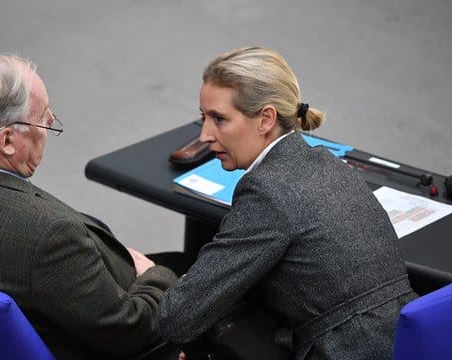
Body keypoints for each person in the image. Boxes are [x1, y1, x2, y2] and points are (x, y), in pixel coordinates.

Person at [0, 53, 186, 360]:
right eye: (43, 119)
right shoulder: (48, 236)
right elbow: (129, 331)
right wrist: (153, 275)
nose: (47, 127)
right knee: (190, 271)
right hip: (100, 332)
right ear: (6, 140)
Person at [158, 46, 418, 359]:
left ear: (266, 119)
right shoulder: (325, 161)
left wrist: (153, 277)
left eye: (219, 119)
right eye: (204, 117)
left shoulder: (265, 191)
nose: (205, 135)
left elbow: (177, 319)